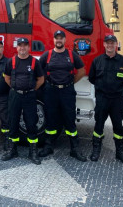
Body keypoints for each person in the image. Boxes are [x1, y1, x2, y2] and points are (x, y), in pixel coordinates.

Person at [38, 30, 87, 162]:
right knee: (51, 119)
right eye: (56, 38)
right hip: (51, 91)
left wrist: (71, 82)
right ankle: (48, 146)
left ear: (65, 40)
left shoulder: (72, 55)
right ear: (53, 40)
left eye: (61, 38)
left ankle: (75, 148)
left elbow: (82, 71)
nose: (58, 40)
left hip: (67, 91)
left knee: (69, 119)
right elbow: (38, 70)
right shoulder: (47, 55)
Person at [88, 34, 123, 164]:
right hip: (102, 98)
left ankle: (120, 152)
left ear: (116, 44)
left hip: (117, 99)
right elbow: (92, 78)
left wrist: (119, 87)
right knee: (99, 125)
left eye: (112, 43)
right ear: (104, 45)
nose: (110, 45)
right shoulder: (97, 61)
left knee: (118, 126)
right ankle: (96, 150)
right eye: (107, 43)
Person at [1, 37, 45, 165]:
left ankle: (33, 152)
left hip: (30, 96)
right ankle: (12, 149)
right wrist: (16, 89)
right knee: (13, 122)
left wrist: (31, 89)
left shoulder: (34, 62)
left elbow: (41, 79)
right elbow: (7, 78)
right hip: (15, 95)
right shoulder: (11, 62)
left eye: (25, 45)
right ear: (17, 48)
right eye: (20, 45)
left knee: (31, 123)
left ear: (28, 47)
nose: (22, 48)